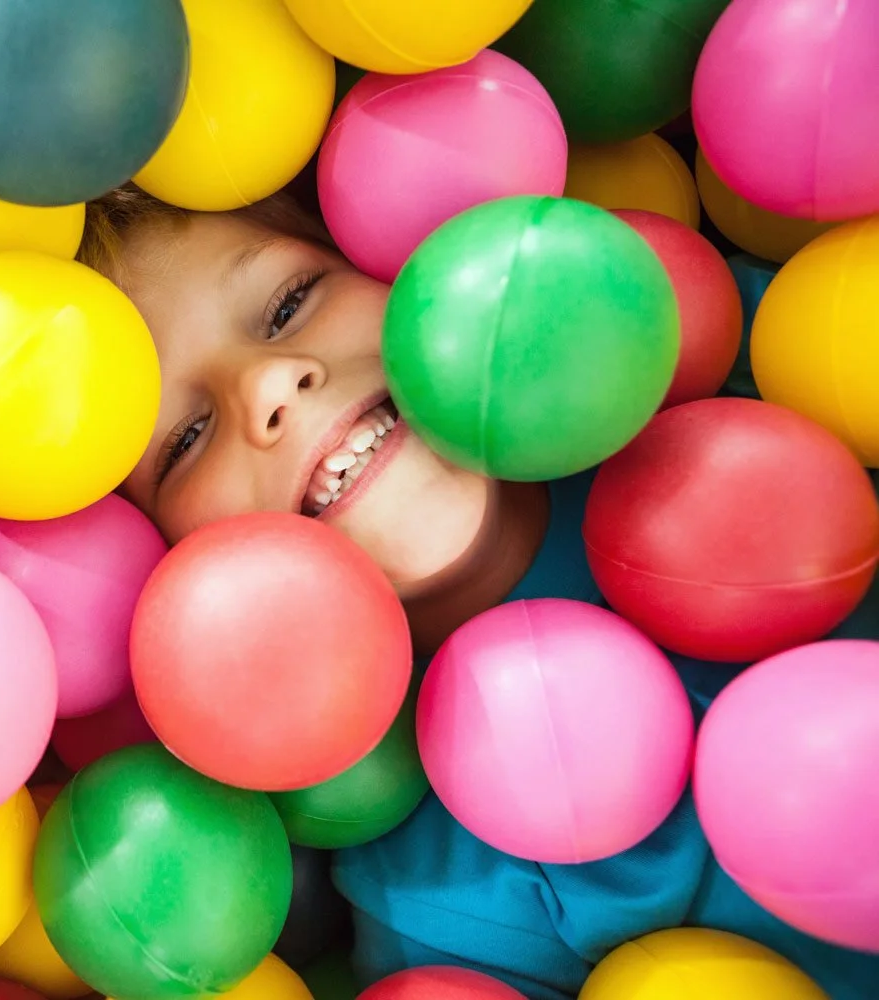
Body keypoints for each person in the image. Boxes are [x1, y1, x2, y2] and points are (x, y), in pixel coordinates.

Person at [77, 184, 879, 1000]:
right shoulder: (438, 908)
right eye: (184, 440)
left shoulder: (758, 364)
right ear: (160, 560)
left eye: (289, 304)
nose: (268, 388)